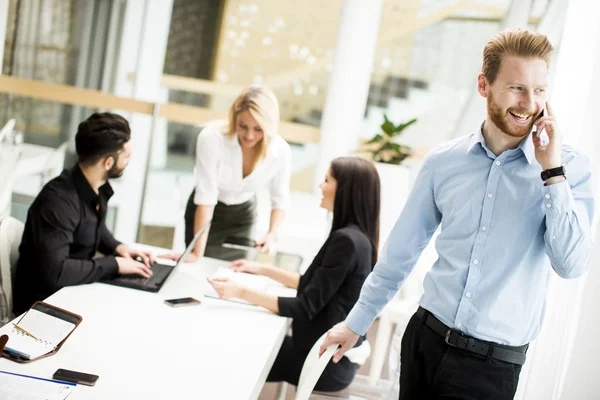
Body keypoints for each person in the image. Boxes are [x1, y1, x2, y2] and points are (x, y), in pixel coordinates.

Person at [320, 28, 596, 400]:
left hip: (492, 365)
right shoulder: (443, 163)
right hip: (424, 340)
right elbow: (400, 254)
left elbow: (571, 264)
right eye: (517, 88)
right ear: (484, 85)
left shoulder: (570, 169)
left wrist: (551, 172)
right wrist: (356, 323)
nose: (530, 103)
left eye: (540, 90)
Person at [208, 157, 381, 392]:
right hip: (327, 356)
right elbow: (317, 288)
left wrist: (239, 291)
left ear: (345, 191)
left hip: (324, 363)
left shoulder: (346, 240)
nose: (320, 186)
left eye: (326, 180)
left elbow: (304, 306)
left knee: (231, 351)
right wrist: (263, 269)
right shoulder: (358, 238)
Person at [13, 112, 155, 315]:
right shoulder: (58, 202)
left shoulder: (95, 188)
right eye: (126, 156)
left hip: (73, 293)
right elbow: (56, 272)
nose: (130, 159)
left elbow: (92, 227)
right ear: (108, 162)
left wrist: (118, 248)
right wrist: (113, 264)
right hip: (42, 309)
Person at [183, 85, 291, 262]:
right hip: (205, 212)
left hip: (243, 216)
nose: (249, 136)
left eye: (258, 129)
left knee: (234, 272)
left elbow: (280, 198)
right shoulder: (211, 138)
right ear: (234, 119)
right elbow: (206, 197)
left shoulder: (280, 151)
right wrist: (196, 253)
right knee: (198, 266)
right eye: (243, 126)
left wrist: (271, 234)